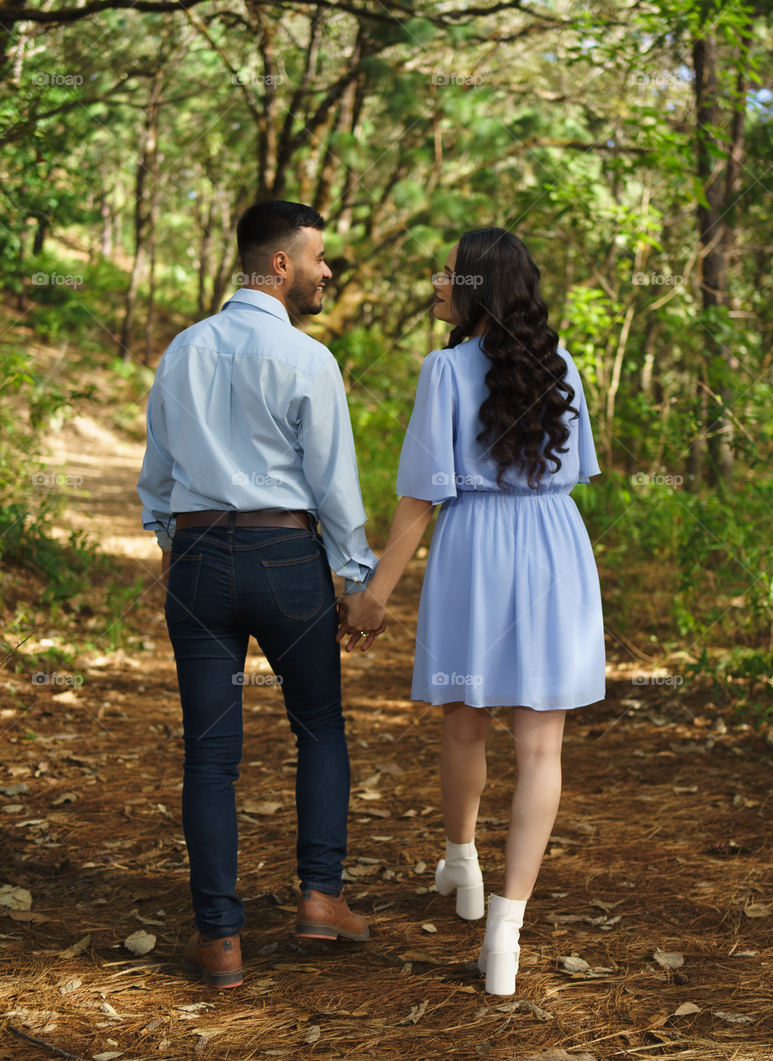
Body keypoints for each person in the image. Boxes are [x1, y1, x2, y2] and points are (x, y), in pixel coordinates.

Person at [337, 226, 605, 997]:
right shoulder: (565, 369)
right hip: (555, 544)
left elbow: (420, 499)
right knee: (541, 750)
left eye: (446, 272)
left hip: (476, 549)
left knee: (464, 720)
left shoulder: (444, 370)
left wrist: (374, 597)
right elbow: (573, 472)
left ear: (477, 287)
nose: (435, 282)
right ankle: (506, 933)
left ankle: (462, 859)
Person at [138, 199, 383, 990]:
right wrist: (355, 574)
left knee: (210, 755)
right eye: (319, 259)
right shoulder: (308, 360)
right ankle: (321, 898)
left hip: (202, 555)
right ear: (281, 264)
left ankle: (220, 941)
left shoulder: (183, 349)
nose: (327, 272)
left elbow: (158, 475)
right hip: (286, 558)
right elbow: (334, 483)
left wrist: (171, 540)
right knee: (318, 727)